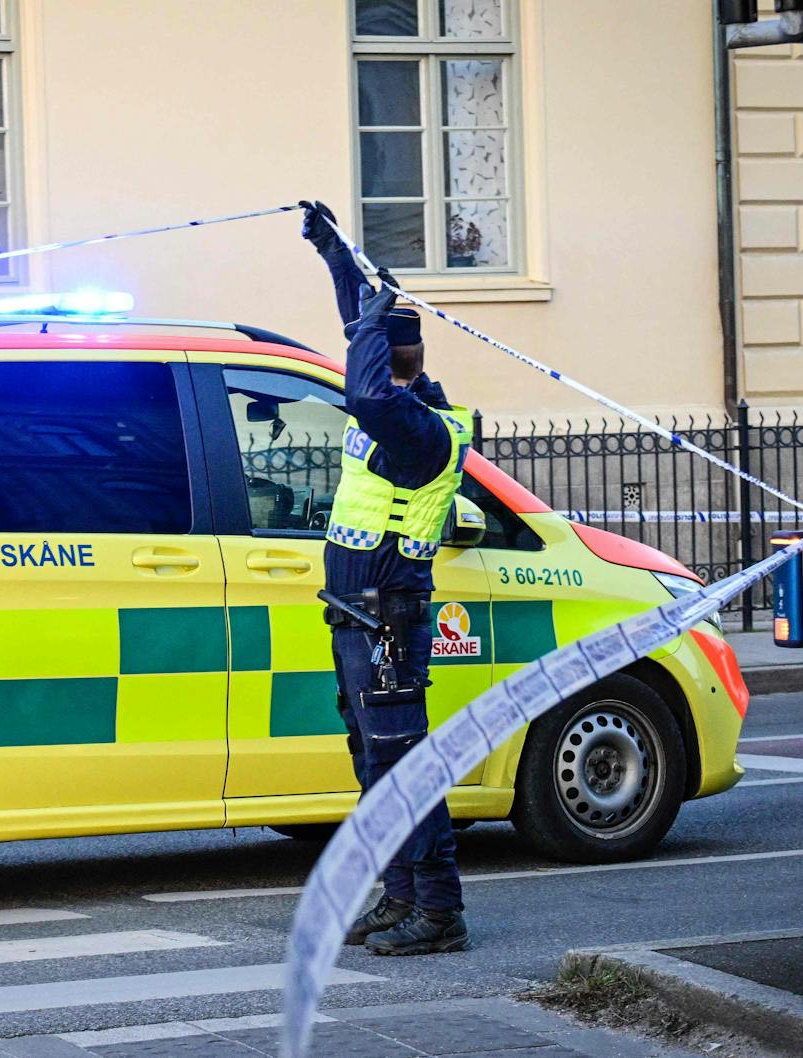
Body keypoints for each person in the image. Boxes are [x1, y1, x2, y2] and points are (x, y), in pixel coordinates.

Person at [300, 200, 471, 956]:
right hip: (356, 613)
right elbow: (362, 352)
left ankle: (439, 912)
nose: (359, 350)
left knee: (404, 765)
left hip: (390, 619)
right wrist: (338, 255)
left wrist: (372, 320)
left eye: (369, 341)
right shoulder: (398, 405)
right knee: (375, 763)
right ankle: (400, 898)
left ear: (389, 354)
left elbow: (364, 387)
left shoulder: (418, 429)